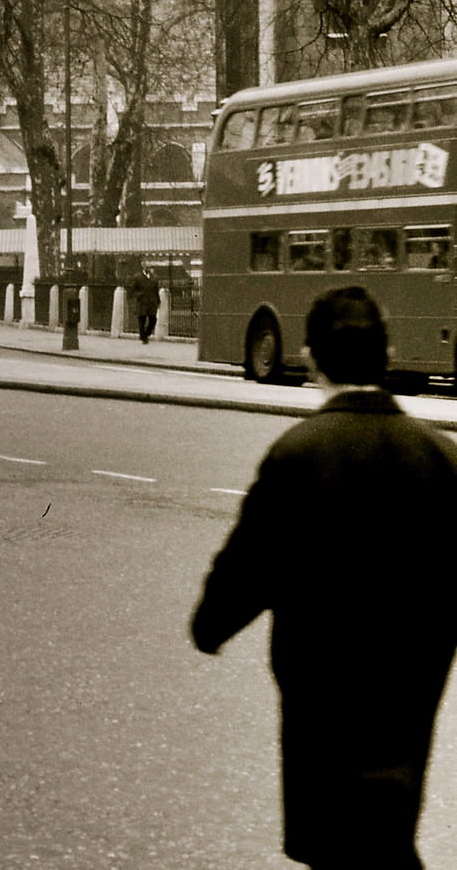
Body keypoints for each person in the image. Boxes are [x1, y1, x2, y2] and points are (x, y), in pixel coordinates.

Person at [191, 287, 457, 870]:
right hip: (410, 697)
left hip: (320, 703)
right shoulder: (441, 457)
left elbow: (235, 585)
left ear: (311, 357)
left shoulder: (298, 454)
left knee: (337, 842)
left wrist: (212, 625)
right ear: (386, 354)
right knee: (384, 836)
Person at [127, 263, 160, 343]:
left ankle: (146, 333)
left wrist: (158, 301)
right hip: (142, 302)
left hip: (152, 303)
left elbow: (156, 290)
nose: (149, 269)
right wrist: (138, 295)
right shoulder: (137, 277)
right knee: (142, 320)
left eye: (150, 267)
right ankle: (143, 338)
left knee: (153, 320)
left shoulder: (154, 278)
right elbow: (132, 290)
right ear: (143, 267)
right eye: (147, 267)